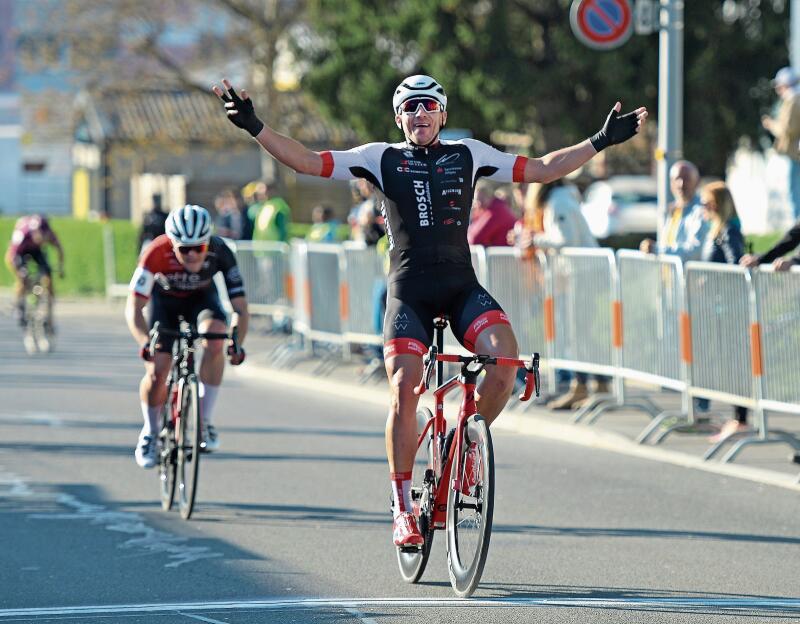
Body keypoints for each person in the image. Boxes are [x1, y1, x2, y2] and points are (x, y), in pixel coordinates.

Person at [213, 74, 647, 547]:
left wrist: (600, 141)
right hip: (410, 293)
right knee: (404, 389)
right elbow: (307, 162)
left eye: (428, 107)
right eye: (410, 108)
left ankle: (464, 446)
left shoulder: (469, 154)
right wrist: (256, 125)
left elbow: (542, 168)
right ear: (398, 118)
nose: (419, 115)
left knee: (504, 363)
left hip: (460, 287)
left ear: (443, 114)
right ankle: (401, 505)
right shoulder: (379, 157)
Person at [125, 204, 249, 469]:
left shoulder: (221, 251)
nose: (192, 255)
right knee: (158, 368)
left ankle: (204, 422)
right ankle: (149, 431)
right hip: (164, 304)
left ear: (208, 243)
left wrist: (237, 342)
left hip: (202, 300)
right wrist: (145, 342)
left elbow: (240, 307)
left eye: (199, 248)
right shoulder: (155, 252)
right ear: (172, 244)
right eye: (184, 249)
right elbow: (133, 307)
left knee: (216, 337)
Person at [513, 180, 610, 409]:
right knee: (581, 332)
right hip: (581, 272)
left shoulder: (558, 202)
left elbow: (566, 239)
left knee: (579, 332)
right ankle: (594, 384)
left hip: (582, 273)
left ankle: (586, 385)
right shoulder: (560, 199)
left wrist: (535, 240)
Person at [694, 182, 750, 440]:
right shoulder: (716, 230)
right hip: (718, 308)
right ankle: (736, 417)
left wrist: (713, 279)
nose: (702, 208)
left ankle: (741, 420)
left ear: (717, 204)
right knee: (729, 362)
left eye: (706, 202)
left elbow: (735, 265)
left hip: (730, 308)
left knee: (736, 362)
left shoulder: (729, 231)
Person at [639, 160, 708, 262]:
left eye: (687, 178)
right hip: (669, 277)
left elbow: (694, 253)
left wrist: (656, 249)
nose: (681, 184)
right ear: (671, 182)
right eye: (677, 178)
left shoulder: (702, 211)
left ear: (697, 182)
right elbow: (666, 244)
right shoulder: (673, 210)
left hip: (690, 277)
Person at [5, 214, 64, 329]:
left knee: (47, 275)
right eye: (39, 238)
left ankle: (49, 311)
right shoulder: (22, 234)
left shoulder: (49, 234)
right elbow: (10, 257)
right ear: (34, 233)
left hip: (36, 252)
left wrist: (61, 268)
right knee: (22, 278)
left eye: (43, 239)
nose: (41, 241)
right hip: (20, 252)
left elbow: (59, 249)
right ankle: (19, 305)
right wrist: (18, 275)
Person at [761, 66, 800, 220]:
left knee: (794, 191)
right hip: (794, 152)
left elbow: (787, 130)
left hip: (795, 153)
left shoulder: (793, 100)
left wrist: (771, 124)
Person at [467, 180, 517, 247]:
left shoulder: (496, 210)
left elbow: (474, 239)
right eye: (476, 201)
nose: (478, 204)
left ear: (488, 196)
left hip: (504, 255)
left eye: (481, 199)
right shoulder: (492, 208)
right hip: (501, 254)